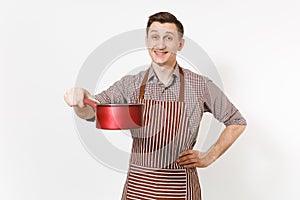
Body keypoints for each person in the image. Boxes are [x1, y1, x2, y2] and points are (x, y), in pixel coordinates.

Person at [64, 12, 247, 200]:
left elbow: (237, 122)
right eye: (155, 37)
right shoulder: (131, 84)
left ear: (180, 44)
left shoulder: (200, 86)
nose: (160, 45)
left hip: (180, 191)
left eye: (168, 38)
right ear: (147, 41)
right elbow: (93, 111)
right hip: (137, 191)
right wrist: (80, 101)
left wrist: (209, 156)